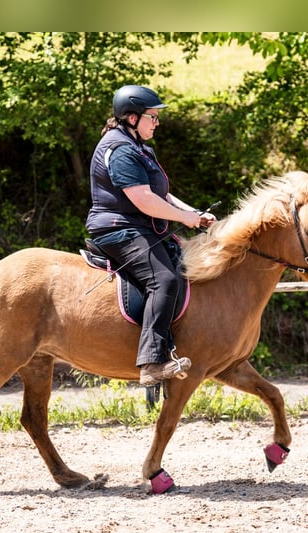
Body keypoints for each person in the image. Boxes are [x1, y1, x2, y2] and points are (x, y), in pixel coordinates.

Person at [86, 85, 215, 387]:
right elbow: (143, 200)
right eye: (152, 117)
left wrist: (194, 213)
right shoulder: (119, 150)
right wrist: (186, 219)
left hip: (141, 228)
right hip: (118, 229)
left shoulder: (140, 148)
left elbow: (162, 195)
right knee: (164, 280)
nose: (157, 123)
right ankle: (152, 362)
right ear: (132, 118)